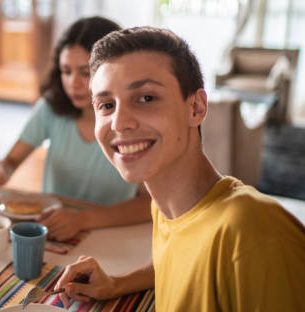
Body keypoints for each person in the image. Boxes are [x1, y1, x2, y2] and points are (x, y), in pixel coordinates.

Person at [55, 27, 305, 310]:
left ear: (196, 107)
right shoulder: (167, 208)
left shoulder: (252, 231)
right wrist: (117, 283)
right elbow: (183, 260)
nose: (119, 122)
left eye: (146, 98)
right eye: (107, 105)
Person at [0, 17, 151, 241]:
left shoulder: (133, 121)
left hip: (113, 234)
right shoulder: (51, 108)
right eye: (66, 71)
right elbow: (10, 162)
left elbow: (149, 204)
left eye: (85, 72)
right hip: (53, 231)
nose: (73, 83)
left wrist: (82, 219)